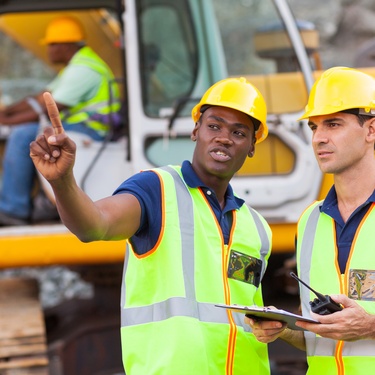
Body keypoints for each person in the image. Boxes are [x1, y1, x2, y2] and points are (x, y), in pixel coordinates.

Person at [30, 77, 273, 374]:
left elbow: (247, 321)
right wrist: (62, 181)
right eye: (214, 126)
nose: (224, 138)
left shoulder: (258, 229)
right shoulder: (156, 190)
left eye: (239, 132)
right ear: (196, 130)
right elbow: (94, 225)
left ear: (251, 147)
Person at [247, 66, 375, 374]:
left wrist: (371, 325)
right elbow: (321, 335)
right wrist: (286, 328)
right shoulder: (309, 222)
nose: (319, 138)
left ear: (371, 130)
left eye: (333, 124)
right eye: (314, 127)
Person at [0, 16, 120, 226]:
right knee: (25, 131)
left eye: (52, 44)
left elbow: (51, 106)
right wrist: (7, 112)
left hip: (90, 130)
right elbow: (40, 97)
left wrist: (8, 122)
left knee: (23, 135)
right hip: (79, 127)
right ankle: (33, 201)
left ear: (67, 45)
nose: (49, 50)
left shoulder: (84, 70)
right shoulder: (76, 65)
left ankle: (13, 209)